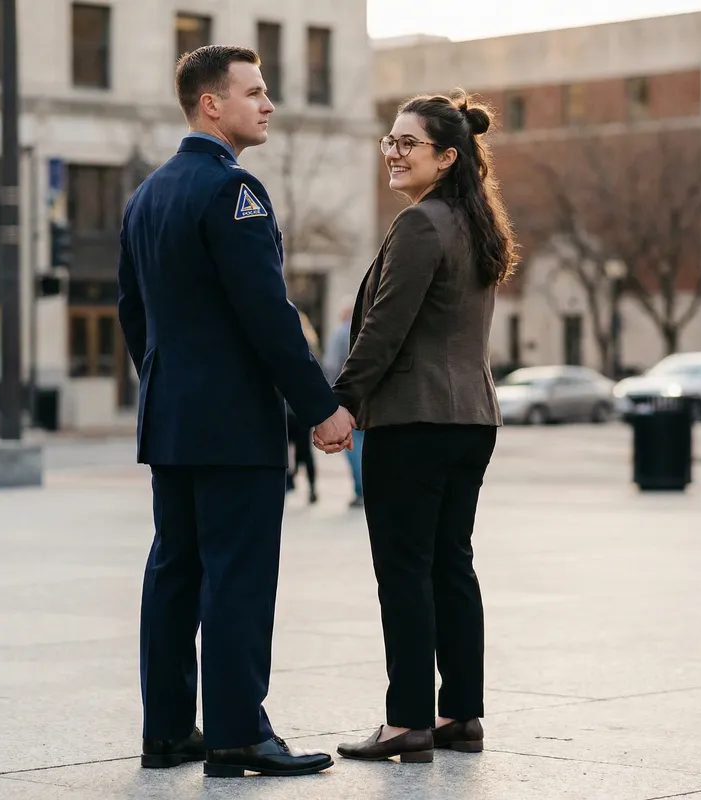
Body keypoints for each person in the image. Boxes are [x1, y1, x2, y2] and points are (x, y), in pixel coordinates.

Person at [118, 45, 353, 778]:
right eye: (254, 92)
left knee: (174, 574)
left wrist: (165, 387)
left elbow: (132, 311)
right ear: (210, 104)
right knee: (238, 578)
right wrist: (322, 406)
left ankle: (167, 734)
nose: (268, 103)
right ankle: (237, 735)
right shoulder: (232, 191)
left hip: (173, 420)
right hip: (232, 425)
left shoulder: (146, 195)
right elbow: (269, 314)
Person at [316, 91, 517, 763]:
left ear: (447, 156)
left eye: (409, 144)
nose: (393, 154)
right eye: (389, 141)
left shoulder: (420, 226)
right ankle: (461, 713)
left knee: (404, 571)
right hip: (471, 421)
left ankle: (407, 722)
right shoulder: (476, 222)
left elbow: (383, 331)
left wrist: (340, 401)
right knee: (450, 566)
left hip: (414, 419)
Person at [323, 298, 364, 508]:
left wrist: (331, 398)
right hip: (368, 396)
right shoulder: (366, 328)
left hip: (346, 397)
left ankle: (361, 490)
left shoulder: (340, 333)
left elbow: (330, 364)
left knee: (353, 446)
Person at [286, 311, 321, 504]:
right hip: (302, 409)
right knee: (306, 451)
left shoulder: (286, 343)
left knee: (286, 447)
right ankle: (312, 487)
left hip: (286, 407)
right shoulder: (310, 345)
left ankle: (288, 482)